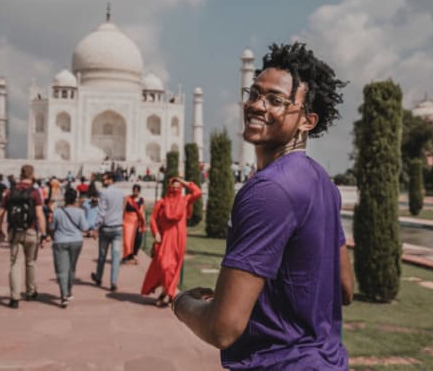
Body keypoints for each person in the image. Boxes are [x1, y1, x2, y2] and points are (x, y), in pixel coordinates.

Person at [172, 43, 354, 370]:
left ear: (307, 121)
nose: (257, 105)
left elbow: (222, 329)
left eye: (276, 100)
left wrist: (183, 304)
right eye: (254, 93)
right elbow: (344, 288)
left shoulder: (268, 191)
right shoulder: (322, 181)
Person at [141, 178, 201, 306]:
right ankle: (169, 292)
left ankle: (167, 293)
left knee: (173, 268)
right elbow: (153, 219)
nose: (175, 189)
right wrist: (156, 233)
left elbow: (198, 192)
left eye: (178, 187)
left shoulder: (185, 201)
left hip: (179, 238)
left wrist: (183, 181)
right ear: (168, 187)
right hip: (165, 238)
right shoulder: (162, 203)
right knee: (164, 266)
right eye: (173, 187)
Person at [0, 164, 47, 309]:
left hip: (14, 232)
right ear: (32, 175)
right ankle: (30, 292)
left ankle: (14, 298)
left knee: (14, 264)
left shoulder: (10, 192)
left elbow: (0, 214)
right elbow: (39, 214)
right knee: (30, 263)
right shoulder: (35, 192)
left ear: (20, 175)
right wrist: (44, 233)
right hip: (31, 231)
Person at [49, 188, 89, 308]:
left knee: (61, 269)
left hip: (60, 241)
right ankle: (69, 290)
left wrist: (52, 237)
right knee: (71, 267)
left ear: (65, 198)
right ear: (75, 199)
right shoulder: (80, 212)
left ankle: (64, 295)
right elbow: (85, 228)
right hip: (76, 241)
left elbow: (52, 227)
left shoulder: (57, 212)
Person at [90, 172, 125, 291]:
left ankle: (99, 277)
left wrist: (95, 228)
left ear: (111, 180)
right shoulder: (121, 193)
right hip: (118, 228)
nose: (103, 181)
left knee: (102, 256)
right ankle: (113, 281)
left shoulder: (104, 193)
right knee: (115, 256)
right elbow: (123, 209)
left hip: (106, 228)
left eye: (105, 179)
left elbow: (101, 213)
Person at [121, 184, 146, 265]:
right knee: (127, 240)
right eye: (134, 190)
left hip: (136, 221)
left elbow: (142, 212)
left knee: (137, 239)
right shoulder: (127, 198)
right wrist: (121, 220)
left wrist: (143, 223)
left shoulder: (141, 200)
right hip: (127, 222)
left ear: (139, 191)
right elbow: (123, 209)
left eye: (137, 191)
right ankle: (127, 255)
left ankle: (134, 255)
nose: (135, 192)